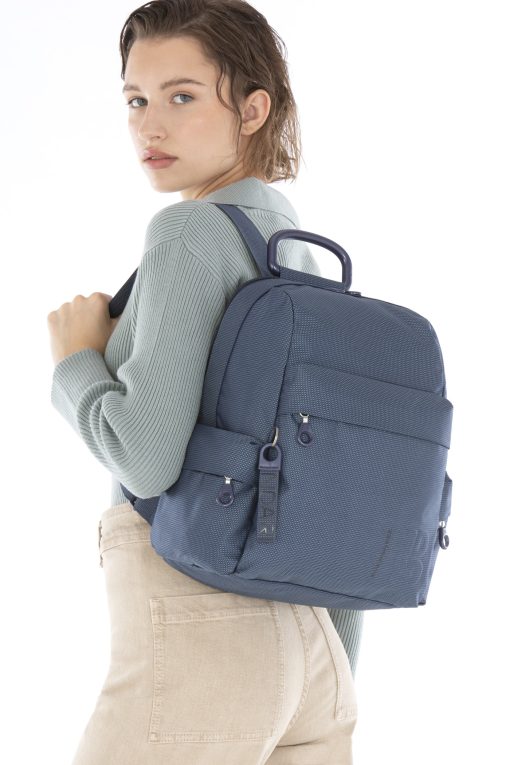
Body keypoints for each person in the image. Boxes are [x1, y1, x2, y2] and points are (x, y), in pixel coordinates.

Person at [47, 1, 363, 762]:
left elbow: (146, 459)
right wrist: (333, 677)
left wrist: (76, 363)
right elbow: (329, 488)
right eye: (136, 100)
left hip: (203, 641)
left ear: (253, 109)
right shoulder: (299, 253)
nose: (149, 126)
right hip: (316, 648)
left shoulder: (189, 233)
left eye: (181, 96)